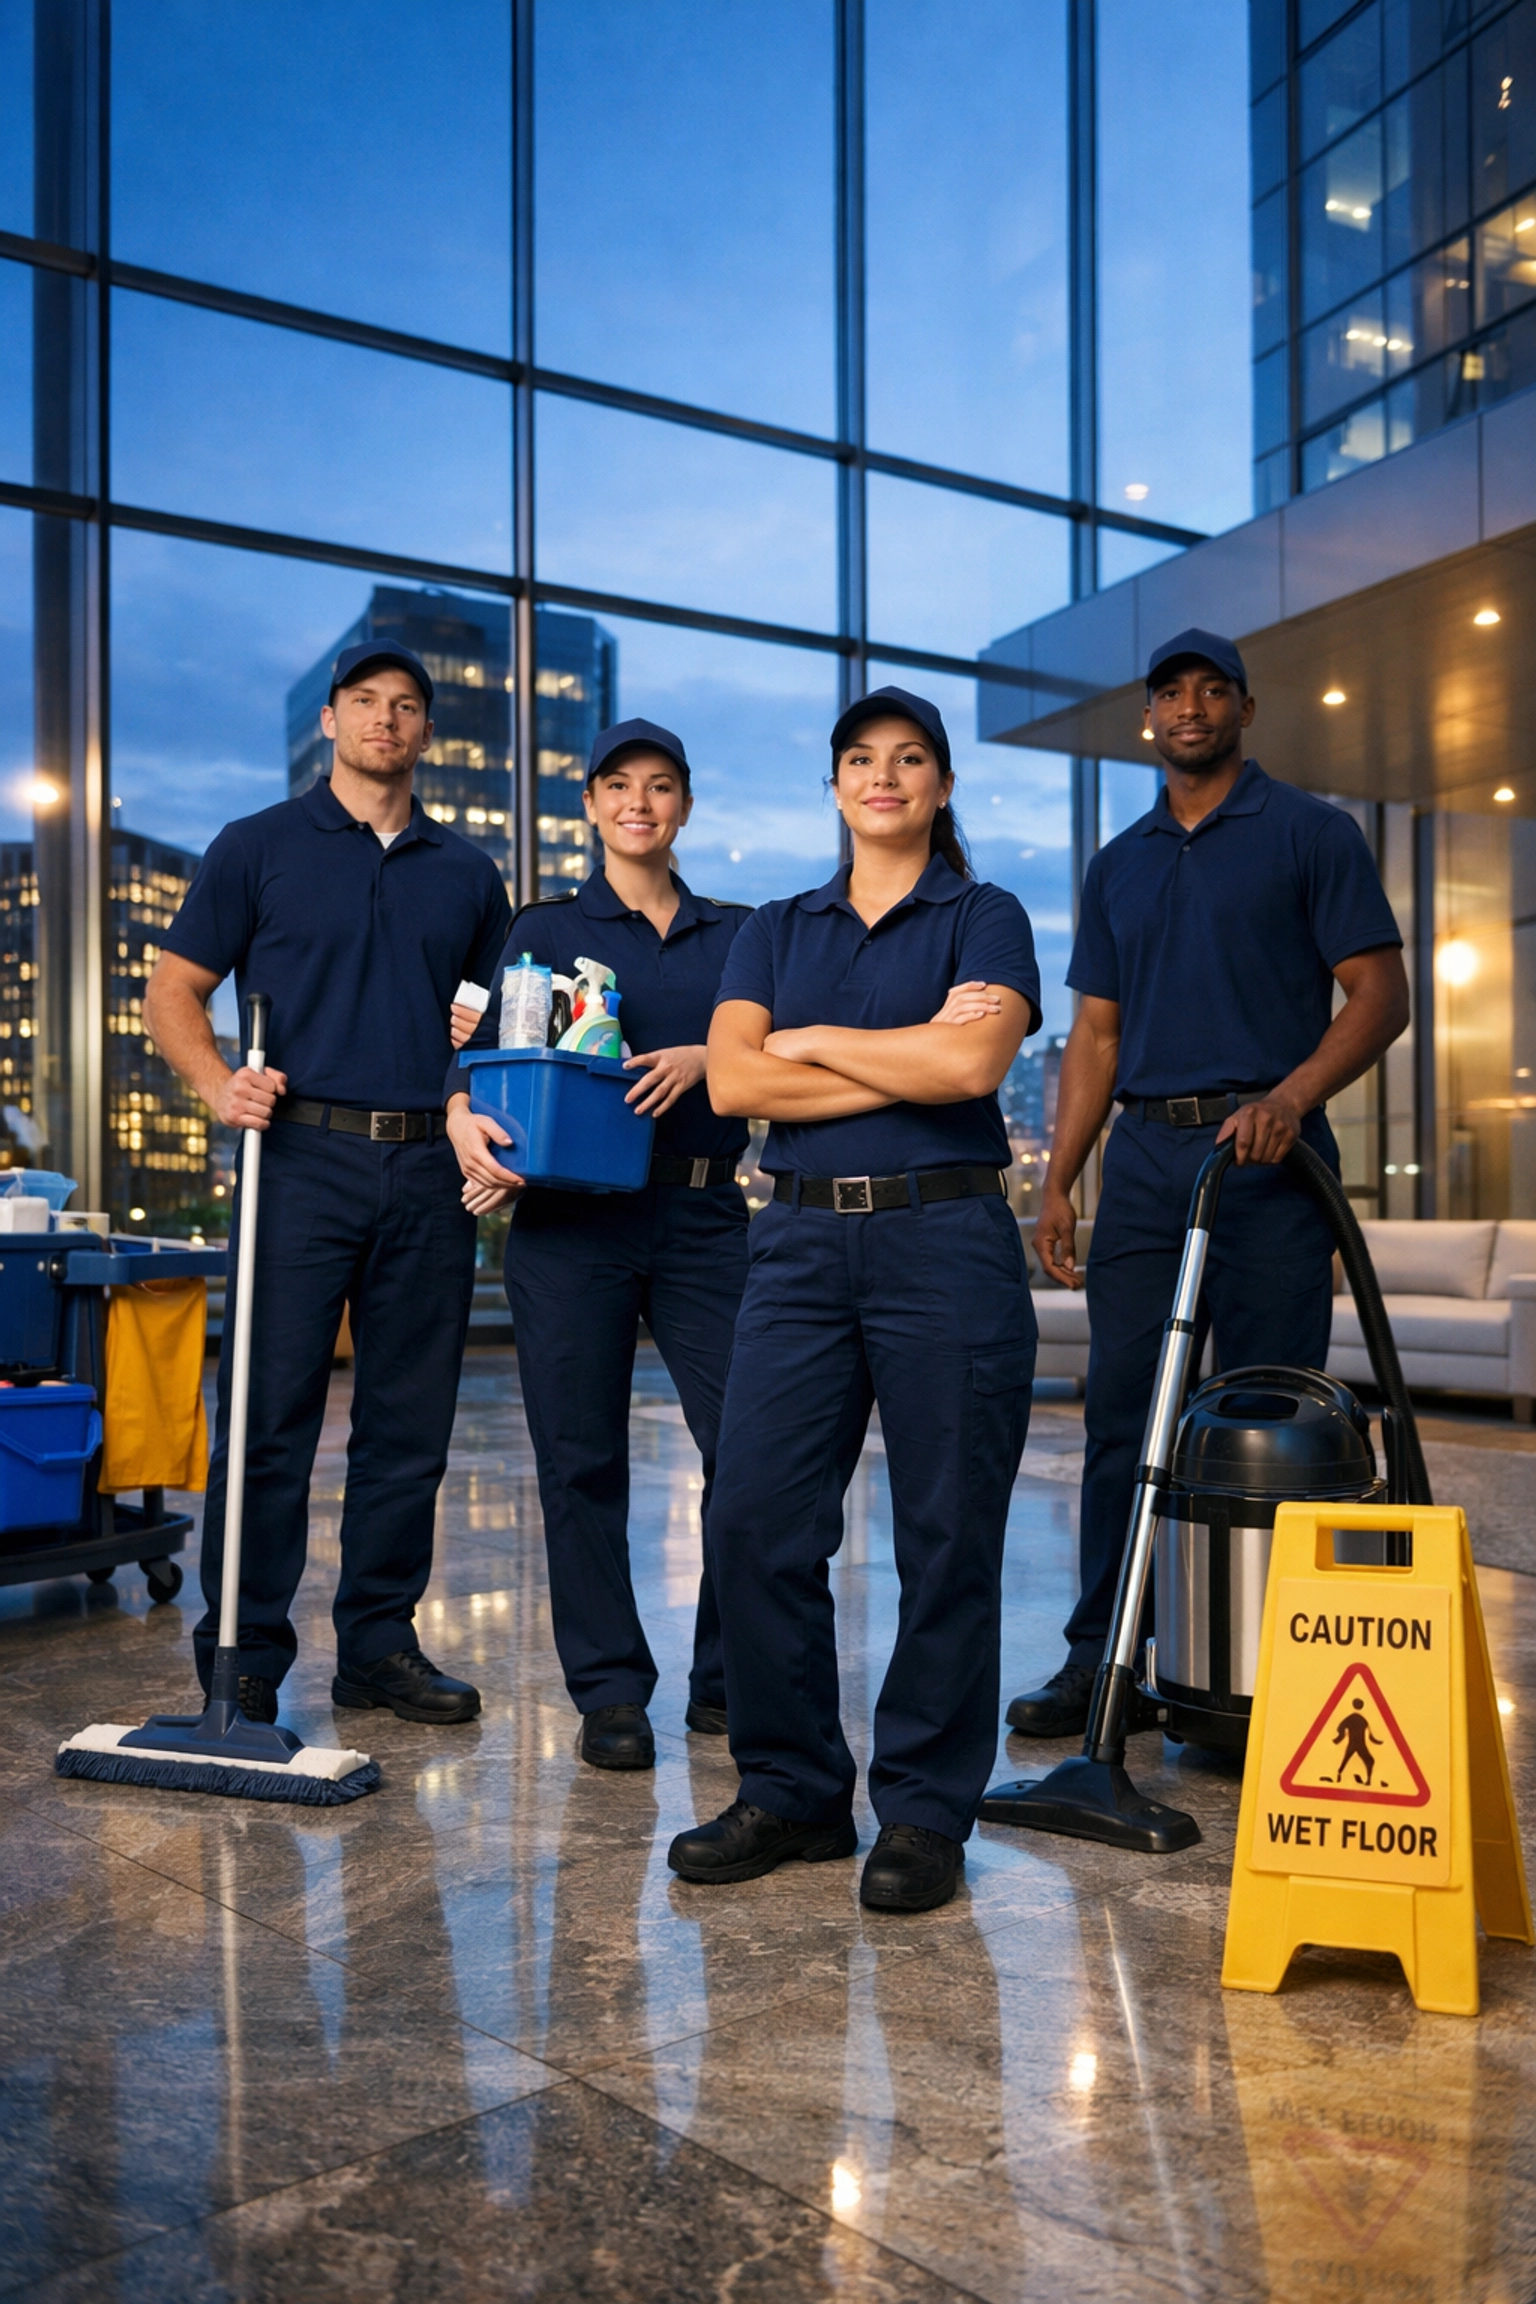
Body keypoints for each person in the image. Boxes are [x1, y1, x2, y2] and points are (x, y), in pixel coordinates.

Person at [667, 686, 1041, 1914]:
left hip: (949, 1238)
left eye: (910, 758)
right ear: (836, 787)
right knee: (755, 1520)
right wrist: (887, 1053)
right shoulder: (775, 926)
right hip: (800, 1247)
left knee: (947, 1534)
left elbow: (973, 1063)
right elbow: (730, 1083)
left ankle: (927, 1812)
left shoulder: (985, 915)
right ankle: (792, 1792)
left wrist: (809, 1046)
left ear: (939, 786)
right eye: (861, 760)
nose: (884, 776)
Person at [1000, 628, 1408, 1745]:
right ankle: (1107, 1663)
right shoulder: (1120, 860)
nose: (1190, 706)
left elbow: (1380, 995)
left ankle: (1264, 1676)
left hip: (1270, 1165)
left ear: (1245, 708)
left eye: (1212, 689)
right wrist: (1059, 1182)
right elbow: (1095, 1035)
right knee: (1123, 1418)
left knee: (1266, 1419)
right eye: (1171, 691)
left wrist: (1289, 1095)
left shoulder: (1310, 834)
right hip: (1143, 1165)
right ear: (1148, 716)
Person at [144, 640, 511, 1726]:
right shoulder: (257, 846)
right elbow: (175, 990)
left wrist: (479, 1048)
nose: (385, 721)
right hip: (296, 1158)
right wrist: (216, 1084)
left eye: (406, 707)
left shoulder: (468, 873)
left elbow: (503, 1016)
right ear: (331, 722)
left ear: (427, 733)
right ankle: (243, 1652)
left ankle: (379, 1646)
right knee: (268, 1417)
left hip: (427, 1169)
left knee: (409, 1424)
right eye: (366, 703)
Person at [445, 718, 752, 1772]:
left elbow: (780, 1046)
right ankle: (612, 1689)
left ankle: (727, 1679)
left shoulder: (738, 934)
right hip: (571, 1226)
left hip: (706, 1216)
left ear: (684, 805)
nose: (639, 803)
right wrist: (459, 1117)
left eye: (660, 786)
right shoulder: (537, 930)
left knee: (748, 1455)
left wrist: (707, 1056)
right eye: (618, 785)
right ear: (589, 804)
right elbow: (472, 1057)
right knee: (580, 1463)